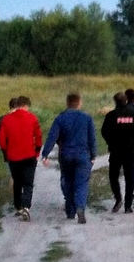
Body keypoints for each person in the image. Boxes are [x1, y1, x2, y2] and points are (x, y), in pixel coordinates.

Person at [41, 92, 97, 223]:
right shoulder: (87, 118)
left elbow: (52, 137)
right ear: (79, 103)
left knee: (68, 181)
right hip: (83, 155)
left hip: (65, 155)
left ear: (67, 103)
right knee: (81, 183)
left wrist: (45, 154)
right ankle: (80, 208)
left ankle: (70, 211)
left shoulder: (60, 118)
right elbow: (92, 139)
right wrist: (93, 155)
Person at [0, 96, 42, 221]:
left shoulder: (6, 120)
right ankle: (26, 206)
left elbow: (2, 139)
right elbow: (38, 136)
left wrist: (6, 150)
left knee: (17, 181)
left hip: (13, 156)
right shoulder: (32, 118)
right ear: (26, 106)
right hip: (29, 155)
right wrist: (37, 151)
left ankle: (18, 206)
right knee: (28, 182)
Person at [100, 91, 134, 213]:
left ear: (115, 101)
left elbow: (104, 132)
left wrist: (110, 142)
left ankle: (118, 198)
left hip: (115, 150)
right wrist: (133, 142)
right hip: (130, 150)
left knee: (113, 176)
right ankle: (128, 206)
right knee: (129, 177)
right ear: (126, 100)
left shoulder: (111, 116)